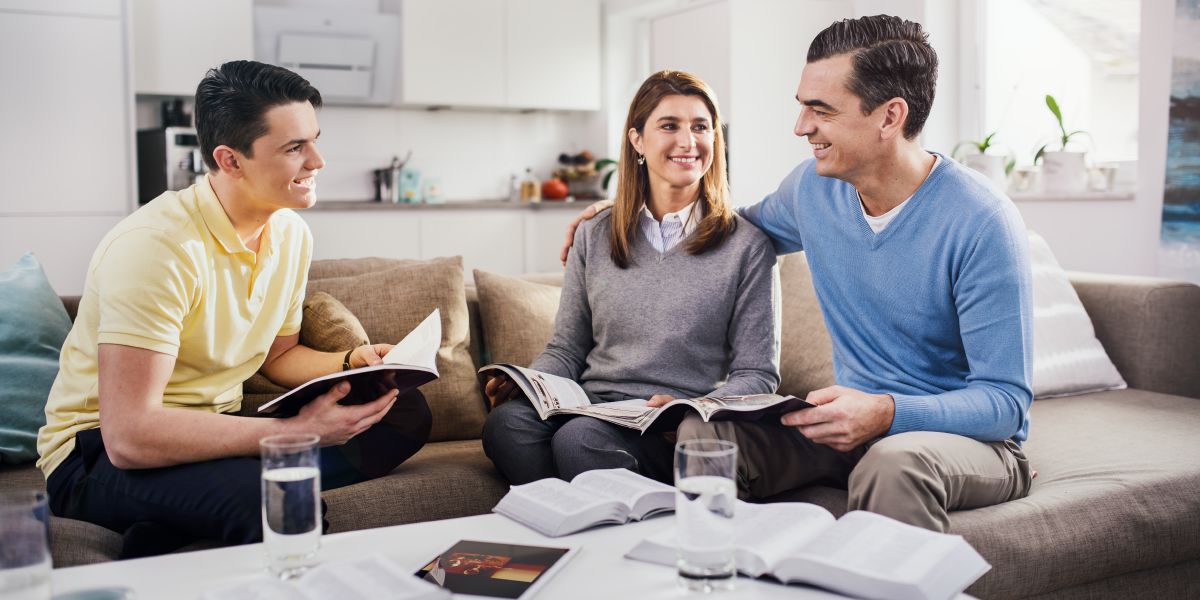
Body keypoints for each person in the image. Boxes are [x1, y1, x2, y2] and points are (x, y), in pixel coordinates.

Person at [560, 16, 1034, 532]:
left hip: (965, 444)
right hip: (848, 430)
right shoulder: (813, 189)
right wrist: (624, 205)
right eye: (803, 105)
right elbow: (724, 226)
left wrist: (887, 413)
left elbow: (1005, 403)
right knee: (705, 435)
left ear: (890, 116)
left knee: (894, 462)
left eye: (821, 110)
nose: (801, 126)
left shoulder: (982, 221)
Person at [36, 60, 432, 557]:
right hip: (98, 455)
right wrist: (297, 432)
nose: (318, 161)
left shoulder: (290, 234)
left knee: (404, 410)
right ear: (230, 160)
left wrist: (355, 363)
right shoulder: (157, 247)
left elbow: (280, 357)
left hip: (213, 430)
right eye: (295, 148)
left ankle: (173, 522)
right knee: (270, 500)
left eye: (314, 139)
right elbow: (131, 435)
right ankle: (209, 507)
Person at [483, 70, 780, 486]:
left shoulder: (746, 246)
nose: (687, 142)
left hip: (670, 420)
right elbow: (567, 348)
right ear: (637, 140)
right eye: (669, 126)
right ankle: (578, 520)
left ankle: (584, 523)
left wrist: (691, 409)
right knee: (507, 426)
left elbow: (758, 374)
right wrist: (531, 384)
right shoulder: (595, 232)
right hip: (593, 405)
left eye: (701, 127)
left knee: (578, 441)